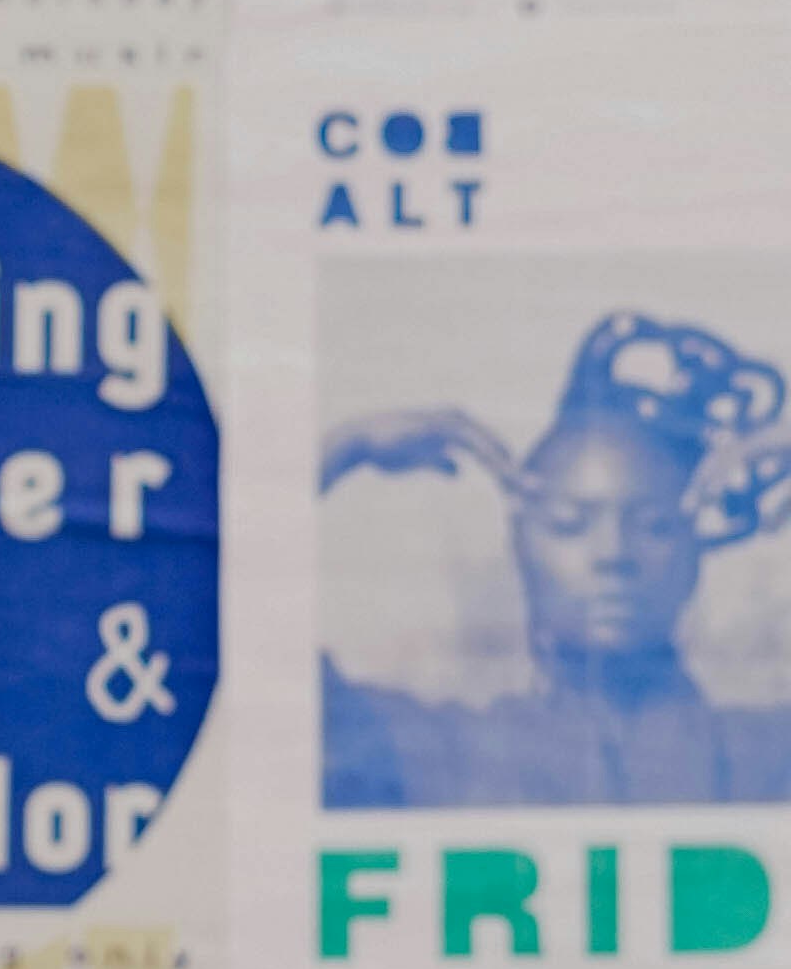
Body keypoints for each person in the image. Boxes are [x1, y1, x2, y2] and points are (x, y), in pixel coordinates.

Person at [320, 310, 791, 806]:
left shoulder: (766, 755)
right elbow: (266, 694)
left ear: (694, 554)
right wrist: (344, 447)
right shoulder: (442, 753)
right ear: (520, 548)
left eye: (654, 525)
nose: (613, 554)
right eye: (569, 524)